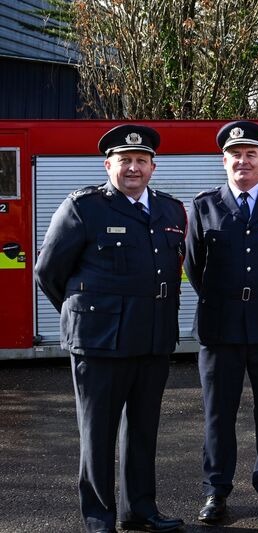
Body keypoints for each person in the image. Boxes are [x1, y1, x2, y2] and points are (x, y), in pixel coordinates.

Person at [34, 125, 185, 533]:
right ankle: (100, 518)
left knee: (143, 431)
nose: (133, 168)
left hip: (153, 340)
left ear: (153, 166)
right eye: (125, 161)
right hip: (99, 344)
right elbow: (48, 272)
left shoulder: (172, 210)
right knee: (97, 434)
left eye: (141, 161)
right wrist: (86, 318)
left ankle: (140, 510)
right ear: (108, 165)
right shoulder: (84, 206)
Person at [183, 121, 258, 524]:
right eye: (236, 154)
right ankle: (216, 491)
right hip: (220, 327)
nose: (243, 161)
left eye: (252, 154)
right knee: (218, 415)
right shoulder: (203, 205)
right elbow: (194, 266)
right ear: (225, 160)